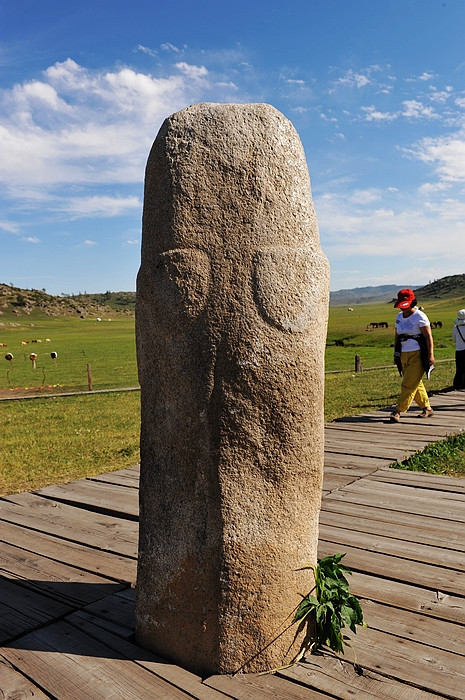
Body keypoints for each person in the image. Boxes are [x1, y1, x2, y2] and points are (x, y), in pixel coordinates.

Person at [390, 288, 435, 423]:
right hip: (403, 353)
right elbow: (397, 335)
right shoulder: (399, 317)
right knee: (415, 382)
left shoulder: (420, 316)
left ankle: (398, 411)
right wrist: (396, 354)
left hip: (418, 353)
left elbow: (428, 336)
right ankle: (427, 408)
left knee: (408, 384)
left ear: (412, 302)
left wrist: (430, 354)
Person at [452, 309, 465, 390]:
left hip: (458, 351)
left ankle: (457, 384)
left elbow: (454, 339)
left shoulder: (455, 328)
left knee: (459, 368)